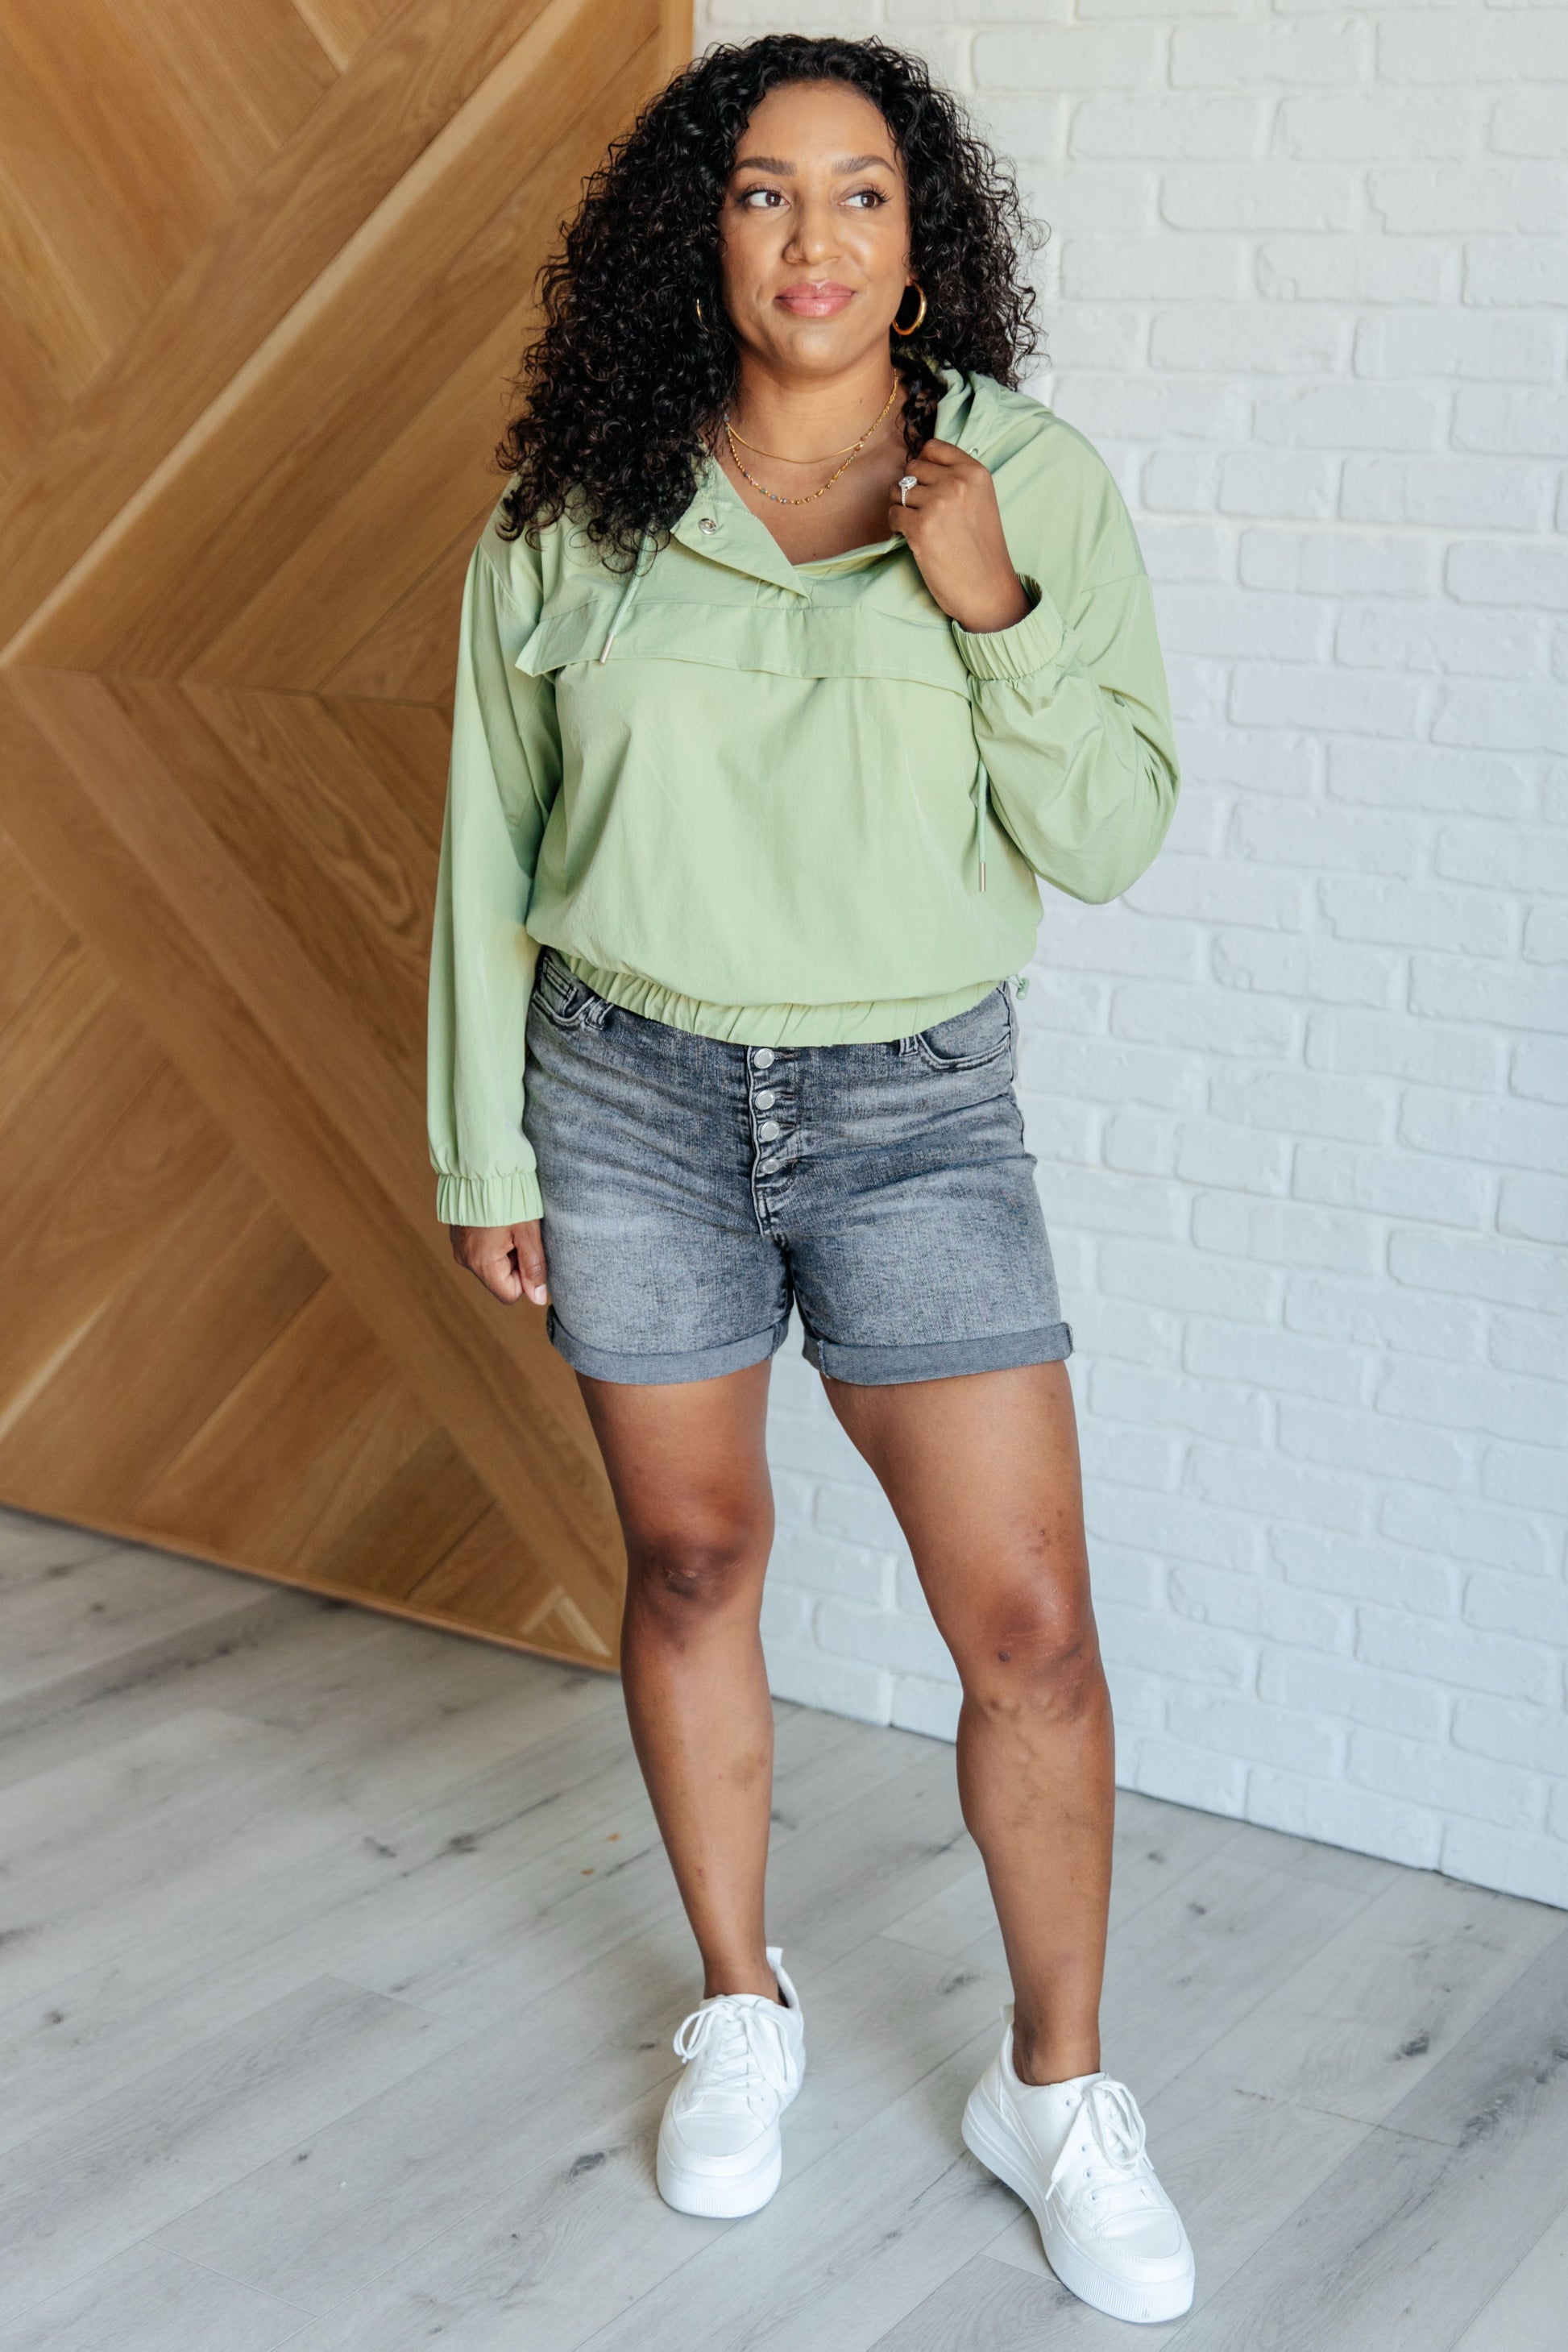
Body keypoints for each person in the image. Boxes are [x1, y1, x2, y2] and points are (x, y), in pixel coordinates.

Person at [426, 31, 1193, 2327]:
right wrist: (484, 1141)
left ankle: (1056, 2091)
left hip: (913, 1106)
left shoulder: (1020, 480)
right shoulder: (574, 507)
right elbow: (487, 855)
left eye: (861, 192)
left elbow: (1111, 833)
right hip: (625, 1094)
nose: (815, 239)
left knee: (1028, 1631)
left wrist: (988, 605)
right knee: (691, 1562)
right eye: (764, 191)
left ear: (919, 234)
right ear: (701, 232)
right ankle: (740, 2006)